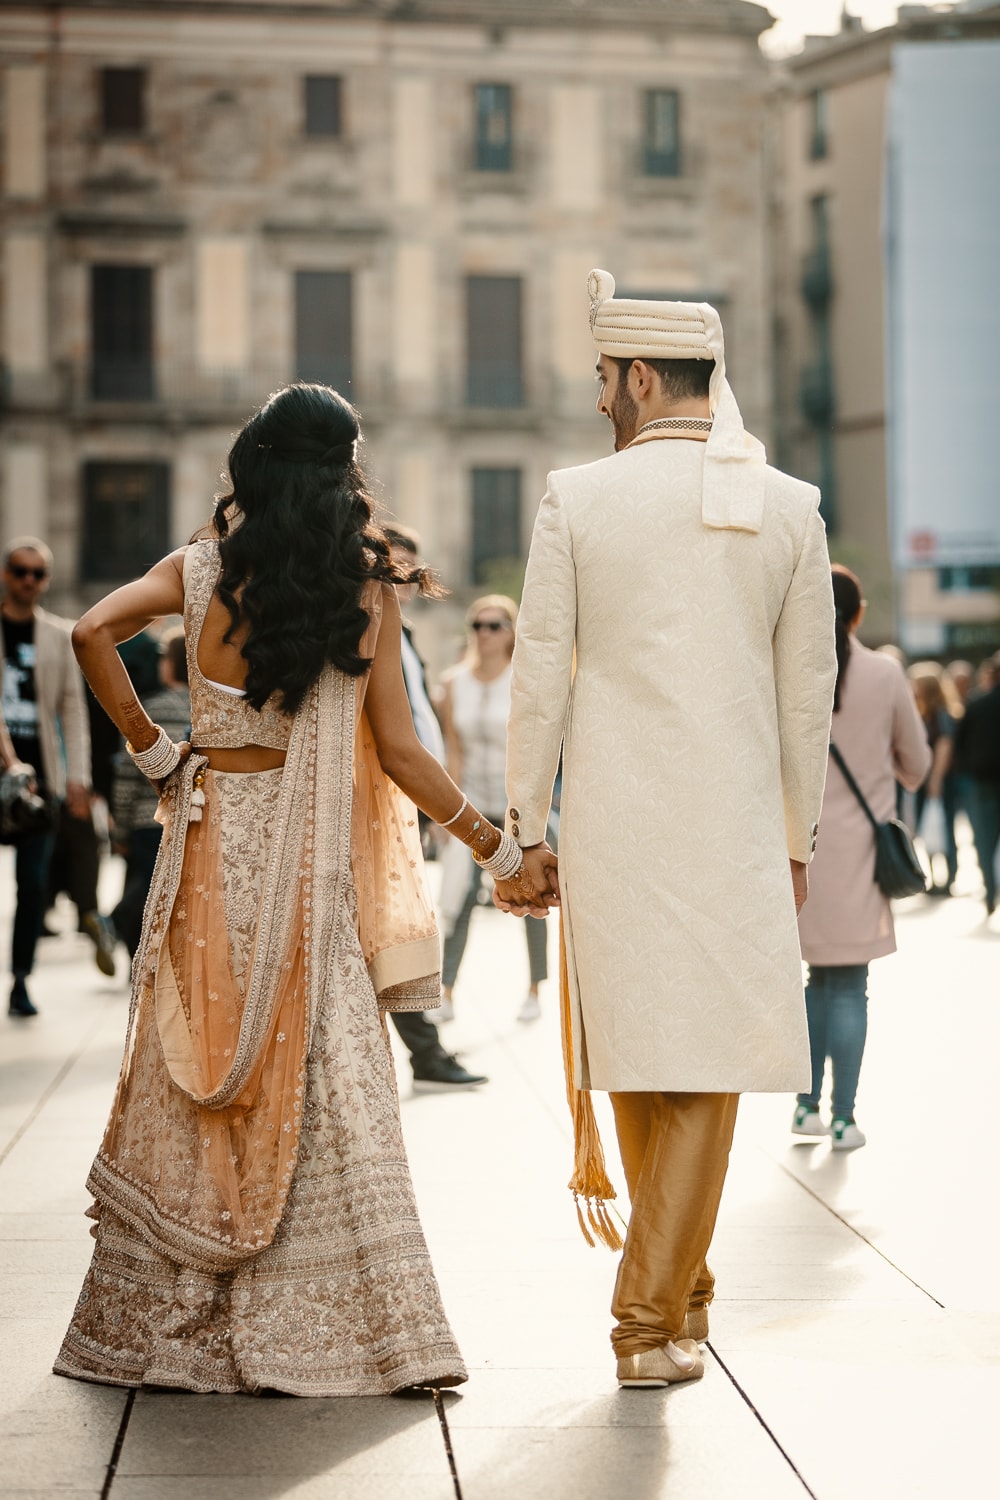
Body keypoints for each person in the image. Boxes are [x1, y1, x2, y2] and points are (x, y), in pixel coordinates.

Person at [54, 383, 542, 1395]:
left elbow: (90, 632)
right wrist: (496, 854)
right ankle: (347, 1313)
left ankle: (186, 1286)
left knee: (204, 1061)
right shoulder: (361, 588)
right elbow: (402, 754)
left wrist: (152, 752)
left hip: (209, 850)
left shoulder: (196, 570)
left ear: (251, 462)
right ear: (342, 475)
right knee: (328, 1074)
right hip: (309, 873)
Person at [495, 271, 837, 1389]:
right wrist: (797, 841)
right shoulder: (792, 504)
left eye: (603, 378)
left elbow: (537, 679)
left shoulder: (574, 498)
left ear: (639, 376)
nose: (599, 399)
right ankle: (671, 1304)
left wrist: (520, 833)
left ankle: (649, 1317)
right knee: (702, 1063)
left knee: (647, 1055)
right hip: (735, 828)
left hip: (610, 827)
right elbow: (806, 701)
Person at [793, 566, 931, 1149]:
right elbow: (917, 765)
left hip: (799, 853)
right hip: (861, 858)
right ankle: (843, 1117)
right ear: (858, 613)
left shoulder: (791, 674)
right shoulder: (884, 672)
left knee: (814, 982)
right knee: (850, 986)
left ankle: (804, 1109)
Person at [382, 523, 487, 1091]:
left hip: (412, 798)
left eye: (411, 573)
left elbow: (419, 719)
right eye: (394, 570)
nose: (404, 582)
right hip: (390, 798)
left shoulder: (404, 634)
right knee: (395, 931)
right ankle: (426, 1053)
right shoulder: (373, 630)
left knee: (396, 930)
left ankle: (426, 1053)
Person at [439, 594, 549, 1024]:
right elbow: (453, 749)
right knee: (460, 898)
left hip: (515, 811)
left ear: (511, 631)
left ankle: (534, 989)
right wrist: (448, 813)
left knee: (531, 892)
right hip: (471, 807)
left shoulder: (522, 680)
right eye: (478, 625)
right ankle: (446, 991)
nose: (485, 634)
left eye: (495, 625)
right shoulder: (454, 682)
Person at [1, 536, 92, 1017]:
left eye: (38, 573)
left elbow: (73, 710)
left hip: (40, 782)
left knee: (33, 884)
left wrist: (78, 776)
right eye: (20, 570)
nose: (29, 580)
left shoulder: (59, 635)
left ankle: (20, 980)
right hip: (2, 772)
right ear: (5, 574)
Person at [109, 626, 191, 960]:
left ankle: (129, 941)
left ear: (170, 663)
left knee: (145, 893)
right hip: (189, 818)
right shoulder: (208, 708)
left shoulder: (148, 710)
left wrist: (121, 827)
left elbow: (128, 774)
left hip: (147, 821)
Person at [953, 650, 1000, 915]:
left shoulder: (977, 704)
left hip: (981, 782)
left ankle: (990, 892)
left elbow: (960, 744)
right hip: (982, 779)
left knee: (984, 839)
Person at [909, 661, 962, 894]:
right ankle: (933, 876)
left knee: (944, 826)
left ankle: (948, 878)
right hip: (926, 780)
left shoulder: (941, 716)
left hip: (940, 781)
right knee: (929, 827)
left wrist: (935, 779)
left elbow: (944, 746)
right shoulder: (924, 714)